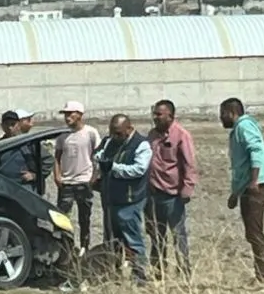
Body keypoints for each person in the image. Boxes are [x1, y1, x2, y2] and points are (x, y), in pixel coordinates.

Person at [220, 97, 264, 284]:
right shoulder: (237, 130)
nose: (221, 119)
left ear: (231, 113)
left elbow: (256, 151)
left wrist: (254, 181)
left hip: (256, 186)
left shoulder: (244, 127)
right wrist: (235, 194)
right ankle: (261, 274)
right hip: (247, 187)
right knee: (252, 232)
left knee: (255, 233)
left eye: (223, 114)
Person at [95, 113, 152, 283]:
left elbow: (139, 169)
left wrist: (114, 168)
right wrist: (101, 160)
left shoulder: (141, 145)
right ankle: (113, 273)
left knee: (133, 239)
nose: (115, 136)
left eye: (118, 133)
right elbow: (98, 154)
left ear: (129, 128)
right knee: (112, 239)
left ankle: (139, 275)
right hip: (111, 199)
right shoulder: (109, 141)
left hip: (130, 200)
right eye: (112, 132)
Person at [145, 99, 198, 279]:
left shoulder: (181, 135)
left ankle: (184, 273)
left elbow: (189, 165)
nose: (155, 118)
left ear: (170, 115)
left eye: (159, 114)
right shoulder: (152, 135)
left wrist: (186, 191)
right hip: (153, 194)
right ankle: (158, 271)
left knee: (178, 236)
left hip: (173, 195)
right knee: (155, 236)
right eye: (154, 114)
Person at [54, 100, 101, 250]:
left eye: (70, 114)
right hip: (66, 182)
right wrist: (57, 175)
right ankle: (65, 247)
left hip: (83, 180)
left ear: (79, 114)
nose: (67, 117)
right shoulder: (63, 136)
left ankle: (84, 247)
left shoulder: (90, 133)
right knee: (62, 217)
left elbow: (98, 155)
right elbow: (57, 156)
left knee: (84, 217)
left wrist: (94, 176)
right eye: (65, 114)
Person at [0, 110, 37, 190]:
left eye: (12, 124)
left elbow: (47, 161)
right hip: (5, 187)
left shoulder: (27, 142)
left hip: (24, 188)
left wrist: (34, 175)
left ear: (18, 125)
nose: (9, 127)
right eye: (6, 124)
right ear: (2, 126)